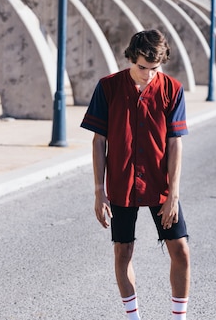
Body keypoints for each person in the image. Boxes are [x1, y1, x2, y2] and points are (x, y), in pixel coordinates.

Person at [81, 29, 191, 320]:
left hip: (160, 185)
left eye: (155, 69)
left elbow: (174, 142)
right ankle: (133, 318)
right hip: (121, 183)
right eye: (142, 67)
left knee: (181, 250)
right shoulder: (108, 88)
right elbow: (99, 141)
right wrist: (98, 192)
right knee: (123, 251)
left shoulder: (172, 89)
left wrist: (173, 195)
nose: (148, 75)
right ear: (130, 58)